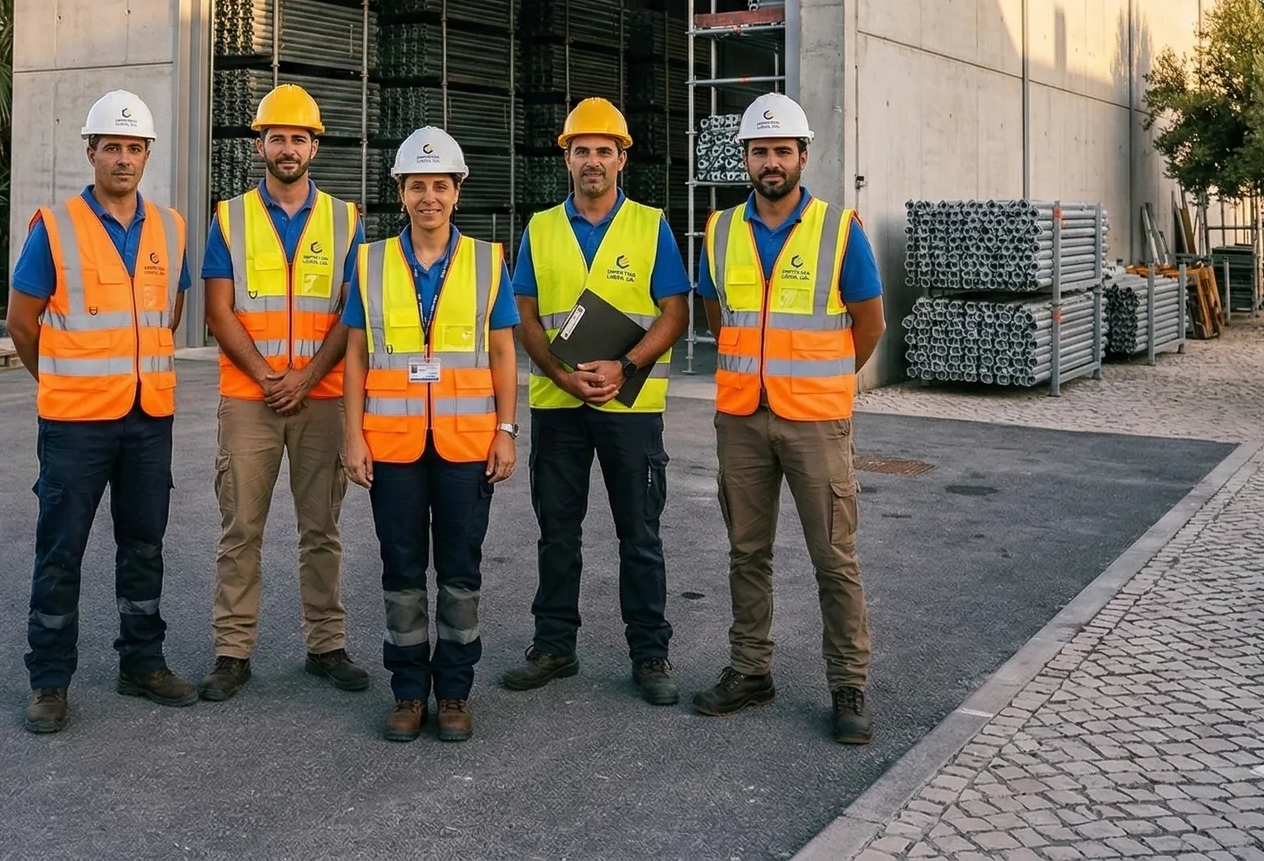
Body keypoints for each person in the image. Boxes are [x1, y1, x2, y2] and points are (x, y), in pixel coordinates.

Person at [690, 92, 886, 744]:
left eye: (781, 150)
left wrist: (823, 381)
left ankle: (848, 685)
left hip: (816, 423)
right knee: (747, 552)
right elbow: (718, 316)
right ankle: (751, 671)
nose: (770, 162)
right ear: (745, 158)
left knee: (834, 557)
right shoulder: (720, 232)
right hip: (742, 419)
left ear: (803, 155)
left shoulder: (839, 229)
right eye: (759, 151)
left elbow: (869, 324)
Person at [6, 89, 197, 734]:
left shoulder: (170, 228)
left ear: (147, 155)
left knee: (144, 544)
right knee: (61, 550)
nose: (123, 158)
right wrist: (62, 379)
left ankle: (141, 662)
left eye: (134, 148)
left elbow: (169, 311)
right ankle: (49, 679)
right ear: (90, 153)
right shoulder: (56, 227)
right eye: (111, 147)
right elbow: (21, 322)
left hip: (148, 418)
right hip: (75, 424)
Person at [501, 98, 691, 706]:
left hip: (630, 407)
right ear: (566, 158)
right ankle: (554, 645)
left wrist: (625, 366)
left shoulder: (650, 225)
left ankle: (650, 653)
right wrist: (561, 376)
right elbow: (524, 314)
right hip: (558, 405)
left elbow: (675, 313)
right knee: (557, 532)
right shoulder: (540, 228)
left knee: (640, 534)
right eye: (581, 150)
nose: (592, 161)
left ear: (621, 158)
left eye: (603, 150)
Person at [341, 127, 520, 743]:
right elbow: (356, 355)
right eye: (417, 186)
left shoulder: (487, 262)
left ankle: (455, 693)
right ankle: (409, 692)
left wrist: (505, 429)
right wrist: (353, 436)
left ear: (457, 192)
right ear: (401, 192)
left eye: (440, 186)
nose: (429, 198)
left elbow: (503, 352)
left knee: (460, 571)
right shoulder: (369, 262)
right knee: (401, 569)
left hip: (467, 445)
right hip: (391, 445)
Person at [198, 83, 369, 701]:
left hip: (321, 400)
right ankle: (232, 652)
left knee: (321, 529)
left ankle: (326, 645)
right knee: (240, 530)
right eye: (277, 137)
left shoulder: (346, 220)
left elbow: (352, 313)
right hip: (251, 400)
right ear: (260, 145)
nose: (288, 147)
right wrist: (270, 376)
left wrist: (307, 376)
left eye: (299, 137)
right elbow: (219, 311)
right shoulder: (229, 217)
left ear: (314, 146)